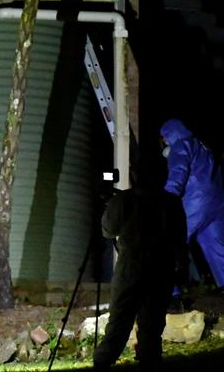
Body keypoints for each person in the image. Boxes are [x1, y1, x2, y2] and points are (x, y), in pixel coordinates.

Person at [93, 173, 188, 372]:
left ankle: (103, 360)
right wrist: (181, 267)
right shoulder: (171, 202)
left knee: (120, 317)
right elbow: (180, 238)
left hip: (131, 266)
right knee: (153, 322)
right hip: (162, 267)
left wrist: (109, 207)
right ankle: (149, 359)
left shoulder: (125, 199)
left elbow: (108, 230)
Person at [160, 118, 224, 296]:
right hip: (217, 203)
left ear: (169, 135)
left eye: (164, 138)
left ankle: (170, 292)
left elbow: (178, 174)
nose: (165, 142)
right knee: (217, 246)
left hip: (196, 201)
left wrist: (167, 199)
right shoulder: (202, 146)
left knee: (171, 241)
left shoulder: (181, 146)